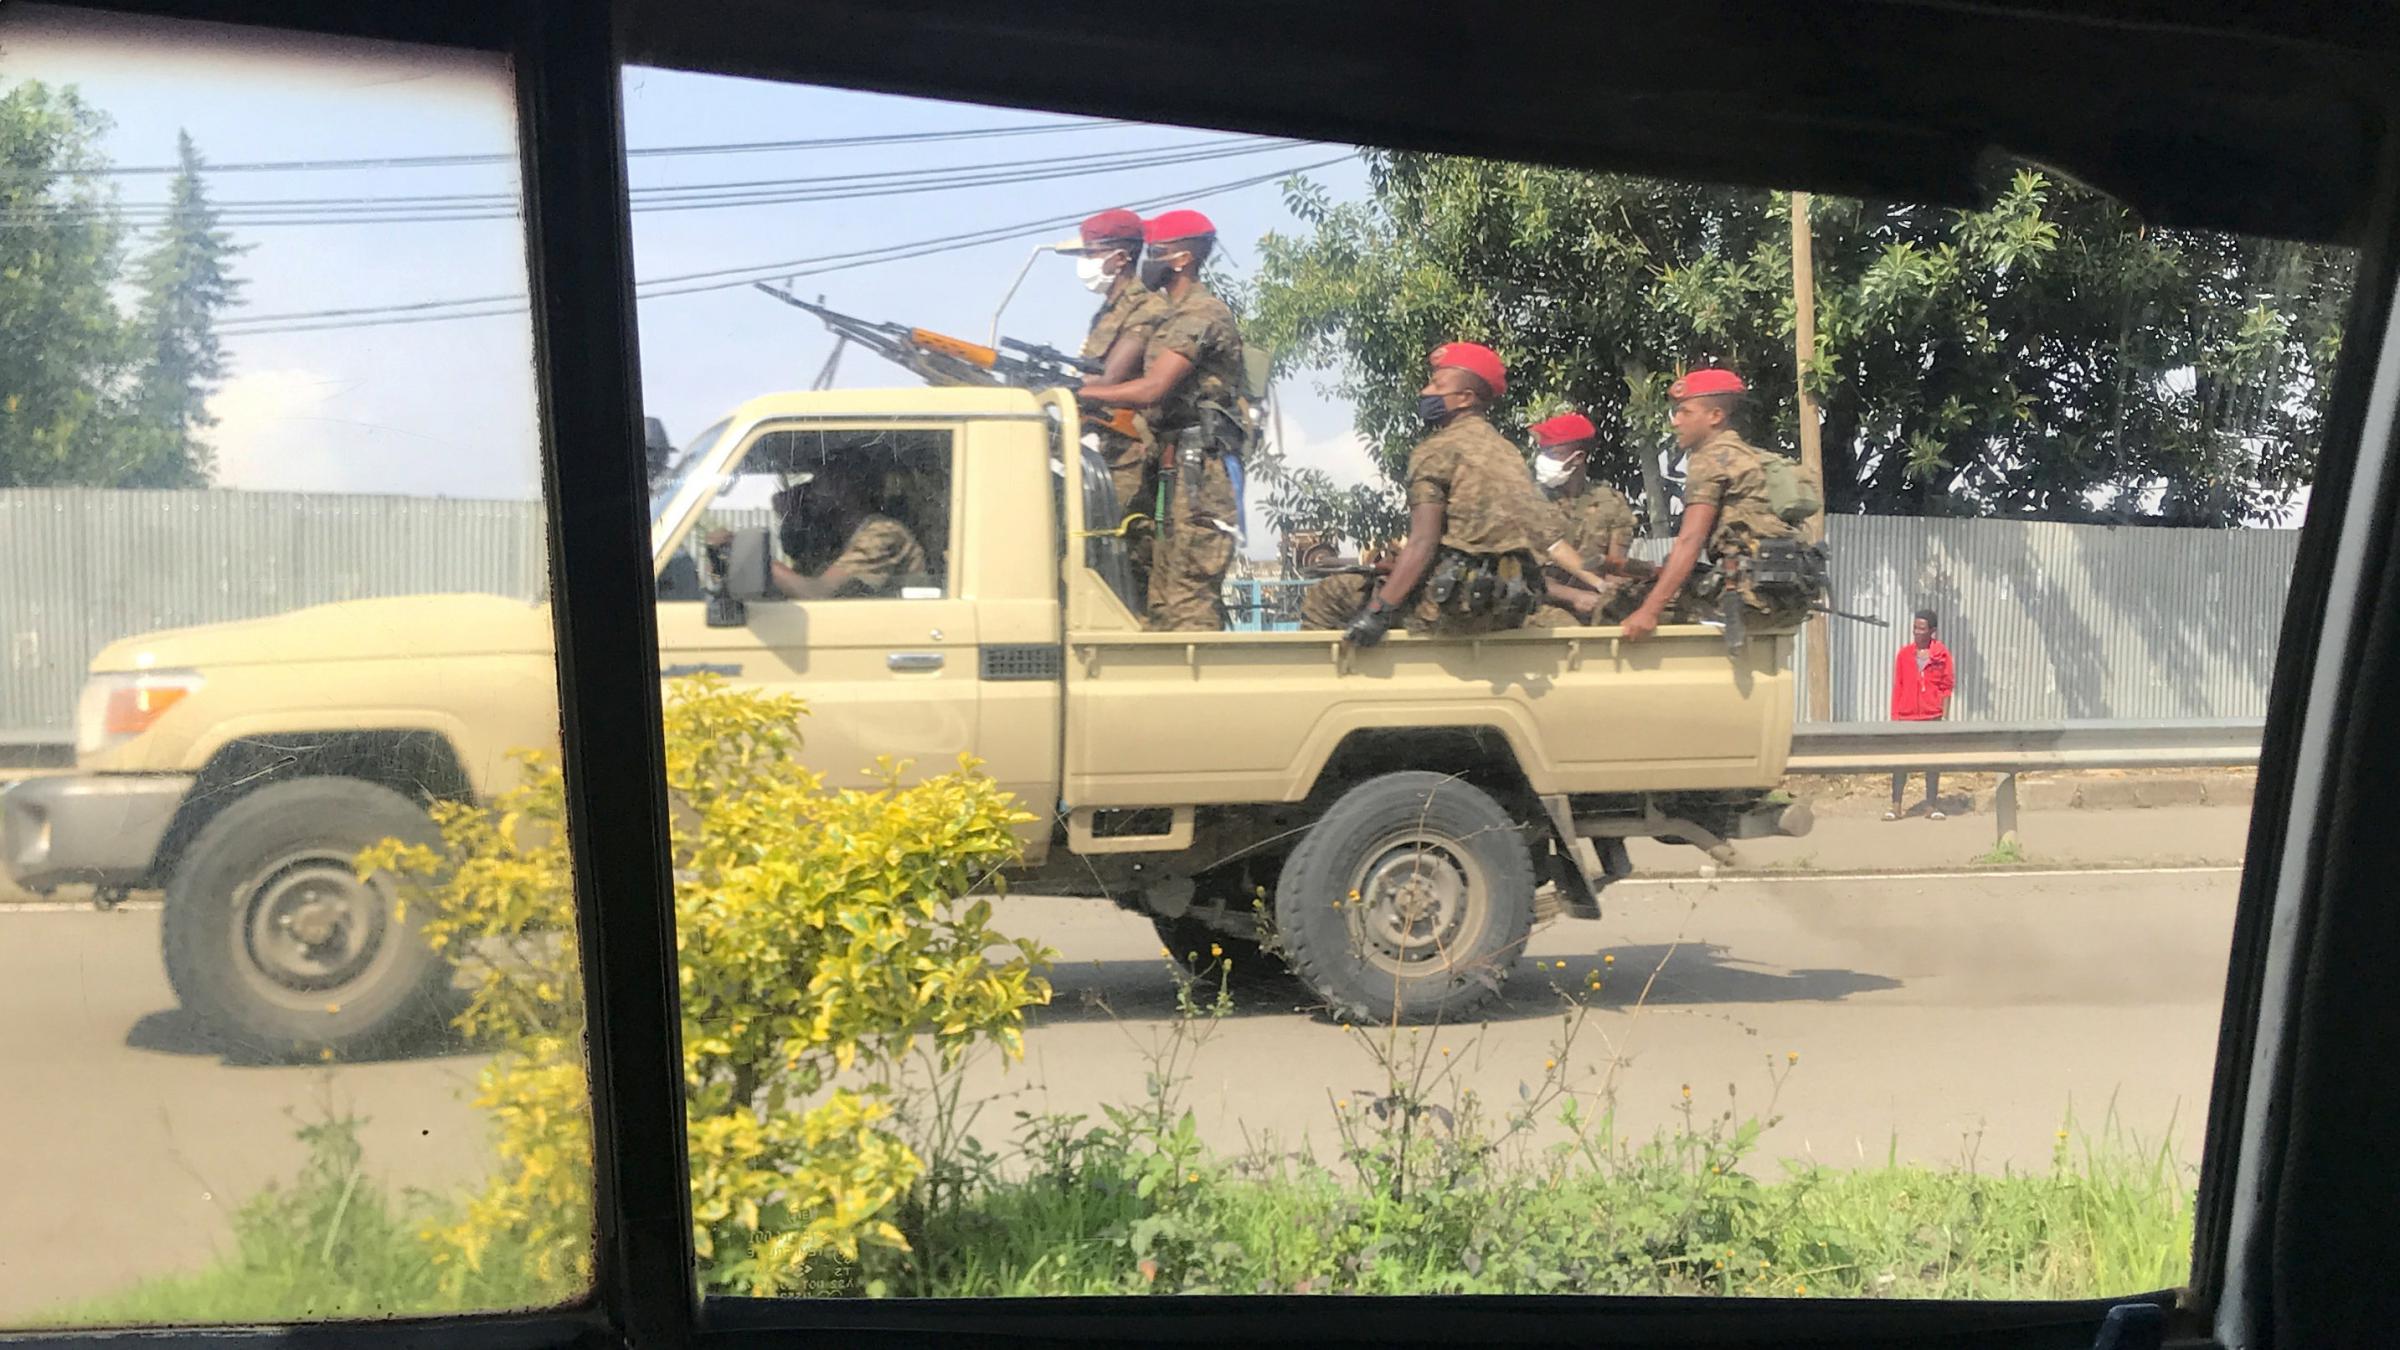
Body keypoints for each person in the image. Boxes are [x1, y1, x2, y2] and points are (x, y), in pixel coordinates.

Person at [1076, 209, 1244, 631]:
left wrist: (1079, 394)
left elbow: (1153, 389)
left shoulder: (1203, 313)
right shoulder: (1169, 315)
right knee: (1160, 604)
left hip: (1199, 474)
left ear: (1182, 260)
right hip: (1171, 466)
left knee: (1188, 600)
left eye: (1157, 251)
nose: (1147, 260)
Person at [1340, 342, 1553, 645]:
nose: (1426, 392)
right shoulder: (1509, 451)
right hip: (1511, 605)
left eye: (1437, 384)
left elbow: (1423, 543)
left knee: (1331, 595)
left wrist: (1378, 612)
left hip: (1455, 608)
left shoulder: (1436, 450)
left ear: (1465, 398)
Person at [1619, 367, 1803, 642]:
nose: (1675, 422)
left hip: (1747, 597)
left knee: (1626, 601)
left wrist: (1649, 611)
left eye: (1685, 412)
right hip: (1784, 597)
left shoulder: (1710, 459)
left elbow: (1690, 540)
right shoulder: (1752, 457)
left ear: (1716, 416)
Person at [1062, 208, 1170, 597]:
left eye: (1091, 253)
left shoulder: (1147, 308)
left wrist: (1072, 389)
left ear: (1121, 258)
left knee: (1120, 546)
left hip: (1128, 453)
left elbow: (1109, 377)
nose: (1085, 264)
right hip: (1102, 448)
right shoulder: (1108, 311)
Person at [709, 460, 926, 600]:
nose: (810, 492)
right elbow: (795, 587)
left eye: (820, 481)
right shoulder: (837, 539)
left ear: (845, 489)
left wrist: (753, 555)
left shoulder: (883, 533)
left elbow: (815, 593)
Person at [1524, 411, 1651, 624]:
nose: (1544, 461)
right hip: (1541, 605)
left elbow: (1615, 569)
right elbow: (1526, 576)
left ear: (1579, 457)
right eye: (1543, 453)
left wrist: (1609, 593)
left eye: (1553, 454)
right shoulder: (1530, 502)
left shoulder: (1611, 503)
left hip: (1596, 603)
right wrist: (1574, 596)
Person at [1887, 608, 1955, 820]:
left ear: (1932, 631)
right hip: (1906, 716)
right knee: (1900, 764)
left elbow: (1947, 686)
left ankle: (1931, 806)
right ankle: (1896, 806)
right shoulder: (1904, 654)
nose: (1917, 632)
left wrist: (1943, 716)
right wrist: (1895, 716)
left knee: (1932, 763)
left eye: (1922, 628)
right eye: (1915, 627)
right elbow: (1898, 685)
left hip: (1931, 716)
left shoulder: (1941, 655)